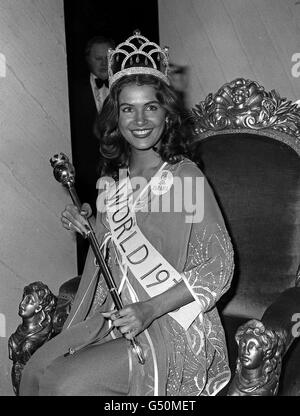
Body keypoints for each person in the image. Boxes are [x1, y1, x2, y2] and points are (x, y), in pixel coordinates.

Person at [20, 30, 234, 396]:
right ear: (115, 118)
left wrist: (150, 310)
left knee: (62, 385)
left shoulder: (184, 177)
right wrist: (88, 224)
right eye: (127, 108)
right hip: (116, 317)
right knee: (38, 370)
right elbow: (111, 256)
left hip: (170, 323)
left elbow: (220, 265)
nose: (140, 119)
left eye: (151, 106)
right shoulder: (112, 183)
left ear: (167, 114)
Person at [69, 35, 115, 273]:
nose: (103, 64)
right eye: (98, 59)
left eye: (108, 58)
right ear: (87, 60)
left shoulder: (124, 89)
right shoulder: (71, 91)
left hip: (119, 175)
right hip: (86, 175)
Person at [8, 282, 57, 395]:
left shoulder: (43, 336)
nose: (22, 304)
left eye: (29, 301)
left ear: (39, 307)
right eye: (23, 298)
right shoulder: (19, 332)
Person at [227, 319, 286, 396]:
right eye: (243, 344)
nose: (246, 351)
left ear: (266, 353)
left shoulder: (264, 391)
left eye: (252, 346)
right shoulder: (237, 376)